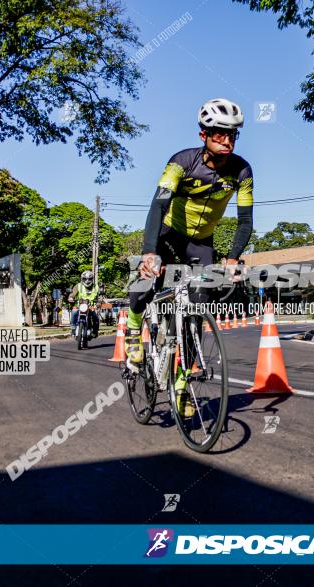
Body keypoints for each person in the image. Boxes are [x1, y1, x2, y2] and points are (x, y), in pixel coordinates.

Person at [125, 98, 254, 416]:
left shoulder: (242, 170)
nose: (226, 140)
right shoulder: (180, 162)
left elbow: (245, 220)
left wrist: (234, 257)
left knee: (198, 303)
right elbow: (158, 205)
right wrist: (150, 252)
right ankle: (132, 328)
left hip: (201, 244)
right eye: (219, 134)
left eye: (232, 135)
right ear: (203, 136)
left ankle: (181, 384)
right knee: (145, 279)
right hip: (170, 236)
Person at [69, 270, 100, 338]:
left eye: (89, 279)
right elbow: (72, 294)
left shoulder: (96, 287)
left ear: (92, 279)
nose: (87, 281)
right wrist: (71, 298)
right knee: (74, 312)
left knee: (95, 317)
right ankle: (73, 328)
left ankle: (95, 331)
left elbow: (99, 298)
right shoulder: (78, 286)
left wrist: (97, 304)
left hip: (91, 307)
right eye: (85, 279)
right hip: (79, 306)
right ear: (82, 279)